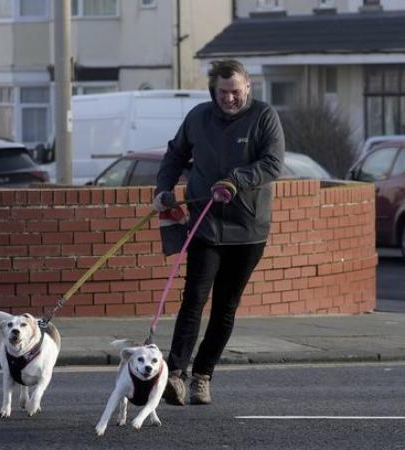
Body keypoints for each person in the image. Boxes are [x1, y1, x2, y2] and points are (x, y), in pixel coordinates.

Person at [153, 59, 285, 405]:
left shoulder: (264, 116)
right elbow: (175, 154)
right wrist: (163, 189)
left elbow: (272, 163)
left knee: (226, 307)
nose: (229, 98)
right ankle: (177, 374)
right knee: (193, 300)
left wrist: (236, 180)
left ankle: (202, 375)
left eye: (235, 91)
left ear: (248, 88)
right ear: (214, 90)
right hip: (205, 224)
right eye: (223, 92)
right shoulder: (198, 117)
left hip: (248, 230)